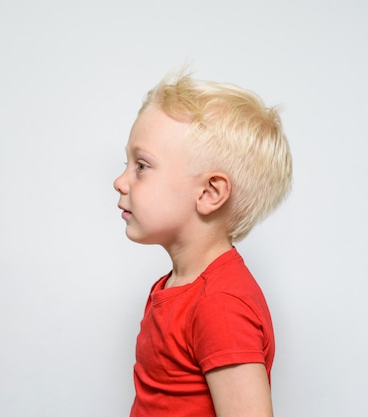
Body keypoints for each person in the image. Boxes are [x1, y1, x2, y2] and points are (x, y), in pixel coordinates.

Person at [113, 72, 292, 417]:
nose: (120, 181)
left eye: (142, 166)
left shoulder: (220, 305)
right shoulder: (178, 287)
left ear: (210, 193)